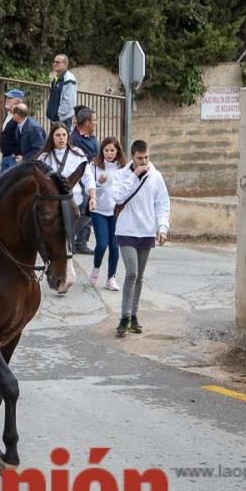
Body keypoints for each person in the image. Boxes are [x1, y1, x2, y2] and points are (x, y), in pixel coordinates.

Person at [112, 139, 170, 337]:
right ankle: (124, 316)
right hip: (126, 230)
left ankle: (134, 315)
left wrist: (162, 227)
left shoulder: (156, 176)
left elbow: (162, 203)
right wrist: (134, 176)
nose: (144, 161)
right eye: (140, 158)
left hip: (146, 231)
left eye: (146, 157)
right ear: (132, 157)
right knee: (131, 273)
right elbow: (118, 197)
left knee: (140, 276)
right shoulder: (121, 175)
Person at [89, 136, 126, 291]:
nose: (109, 153)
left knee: (114, 246)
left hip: (115, 211)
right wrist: (100, 184)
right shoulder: (95, 166)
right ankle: (96, 267)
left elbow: (126, 187)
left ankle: (111, 278)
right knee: (102, 243)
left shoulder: (123, 167)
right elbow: (90, 187)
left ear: (117, 151)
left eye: (112, 150)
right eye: (106, 150)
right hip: (99, 210)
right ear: (102, 151)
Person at [36, 121, 94, 216]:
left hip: (74, 202)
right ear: (52, 137)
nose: (61, 138)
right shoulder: (44, 157)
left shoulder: (77, 153)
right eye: (58, 135)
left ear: (68, 136)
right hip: (52, 205)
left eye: (64, 134)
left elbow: (88, 178)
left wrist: (93, 197)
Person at [69, 106, 99, 253]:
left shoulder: (92, 137)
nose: (96, 123)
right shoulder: (73, 138)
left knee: (89, 212)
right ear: (87, 122)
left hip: (92, 179)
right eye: (94, 120)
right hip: (80, 181)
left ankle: (81, 242)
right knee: (81, 212)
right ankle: (70, 239)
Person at [48, 54, 77, 130]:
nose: (55, 64)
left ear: (65, 64)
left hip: (63, 120)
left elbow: (69, 101)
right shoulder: (56, 78)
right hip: (54, 118)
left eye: (58, 62)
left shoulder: (69, 79)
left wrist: (59, 114)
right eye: (54, 62)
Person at [0, 88, 24, 173]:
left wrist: (16, 153)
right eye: (7, 98)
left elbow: (22, 137)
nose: (6, 100)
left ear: (18, 101)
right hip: (5, 156)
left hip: (13, 157)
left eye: (10, 98)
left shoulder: (20, 117)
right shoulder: (9, 115)